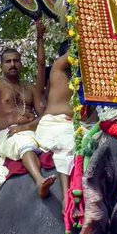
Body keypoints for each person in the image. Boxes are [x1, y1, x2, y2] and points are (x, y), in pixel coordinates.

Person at [0, 43, 55, 197]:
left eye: (16, 61)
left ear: (21, 63)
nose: (12, 64)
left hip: (33, 130)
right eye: (8, 61)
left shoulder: (29, 87)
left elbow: (45, 115)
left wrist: (26, 127)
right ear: (1, 65)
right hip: (10, 135)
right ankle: (39, 181)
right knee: (23, 144)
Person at [32, 18, 77, 173]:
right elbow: (41, 64)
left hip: (73, 125)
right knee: (70, 145)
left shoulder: (82, 81)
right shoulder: (57, 68)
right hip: (54, 126)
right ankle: (67, 195)